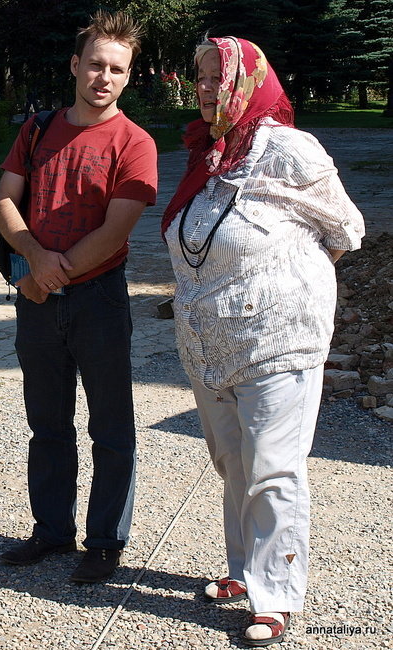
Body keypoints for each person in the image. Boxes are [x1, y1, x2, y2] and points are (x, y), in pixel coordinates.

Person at [161, 37, 364, 646]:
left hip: (279, 339)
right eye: (197, 78)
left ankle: (275, 595)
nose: (200, 90)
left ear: (244, 84)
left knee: (273, 468)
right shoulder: (211, 152)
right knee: (233, 463)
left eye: (210, 78)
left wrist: (286, 280)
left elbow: (346, 228)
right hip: (210, 345)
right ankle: (244, 573)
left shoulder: (290, 148)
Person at [0, 10, 158, 583]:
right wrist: (32, 261)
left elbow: (116, 231)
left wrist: (49, 271)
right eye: (95, 64)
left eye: (116, 69)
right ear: (75, 65)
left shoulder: (135, 143)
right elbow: (5, 203)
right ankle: (52, 532)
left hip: (99, 301)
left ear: (128, 76)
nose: (104, 77)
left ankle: (106, 543)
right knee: (47, 422)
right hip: (36, 297)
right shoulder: (37, 129)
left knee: (111, 427)